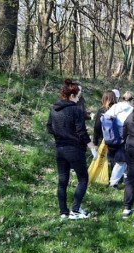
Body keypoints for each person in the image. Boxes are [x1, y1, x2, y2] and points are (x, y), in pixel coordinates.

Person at [46, 78, 95, 220]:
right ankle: (75, 210)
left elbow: (49, 127)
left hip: (60, 149)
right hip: (74, 149)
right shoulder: (76, 110)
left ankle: (63, 212)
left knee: (63, 181)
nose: (79, 99)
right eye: (78, 96)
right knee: (83, 179)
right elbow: (81, 132)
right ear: (72, 96)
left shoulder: (54, 109)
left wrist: (61, 134)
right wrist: (92, 147)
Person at [103, 91, 134, 189]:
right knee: (122, 161)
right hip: (124, 136)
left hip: (111, 136)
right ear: (132, 100)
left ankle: (125, 179)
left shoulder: (115, 106)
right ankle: (113, 183)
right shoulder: (131, 109)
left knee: (121, 160)